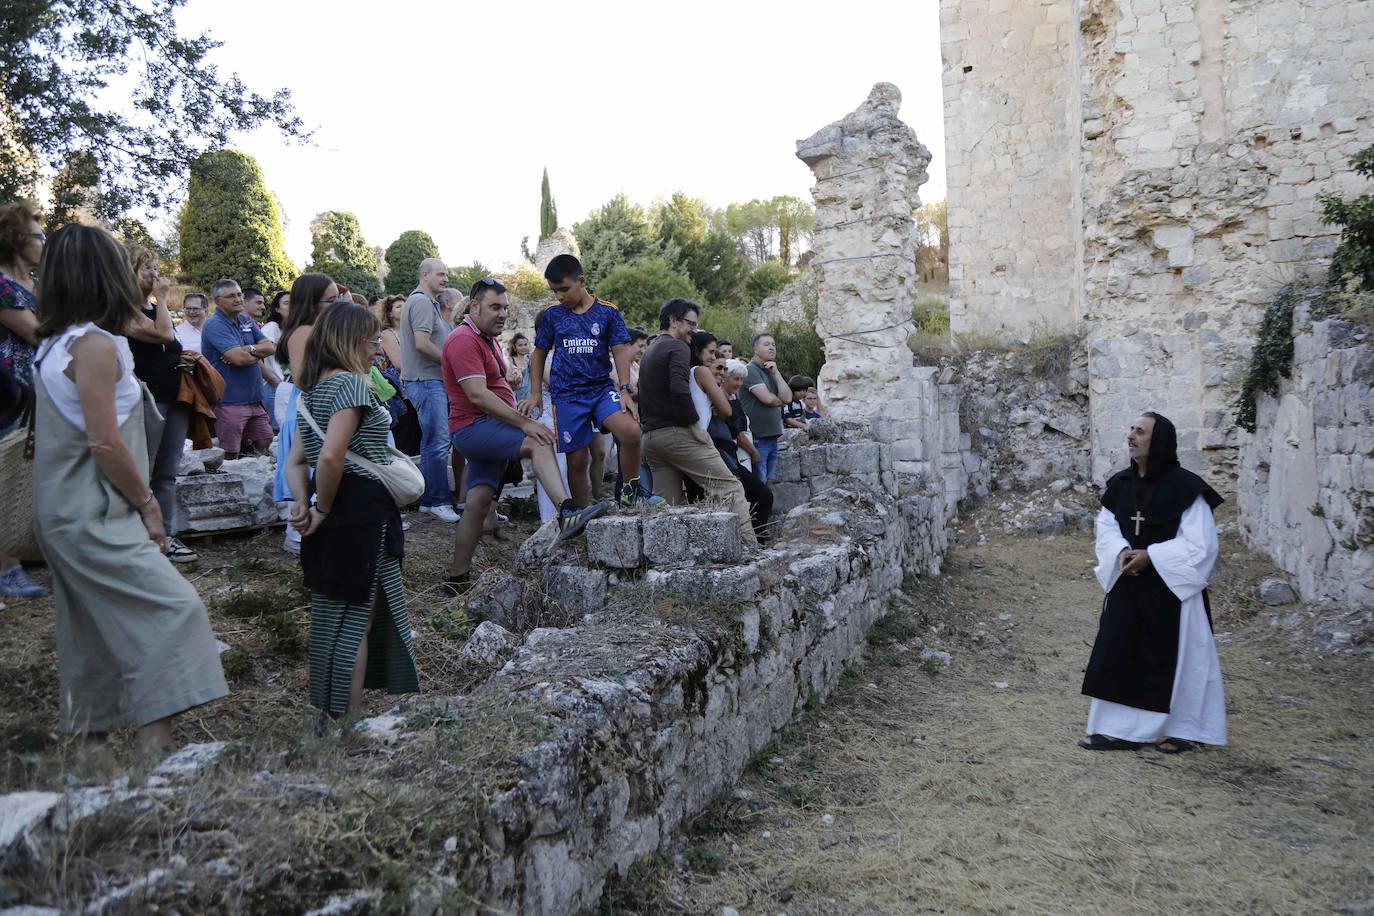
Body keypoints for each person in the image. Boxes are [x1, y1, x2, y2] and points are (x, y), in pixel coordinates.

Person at [31, 224, 227, 755]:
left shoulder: (53, 342)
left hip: (61, 507)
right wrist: (148, 506)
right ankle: (155, 759)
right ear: (105, 275)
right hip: (95, 506)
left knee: (88, 636)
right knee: (172, 609)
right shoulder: (93, 345)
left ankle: (88, 763)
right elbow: (104, 441)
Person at [283, 303, 418, 720]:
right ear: (349, 340)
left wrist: (303, 505)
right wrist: (320, 508)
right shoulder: (353, 387)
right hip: (359, 514)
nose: (377, 350)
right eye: (372, 340)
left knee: (330, 616)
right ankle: (348, 722)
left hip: (332, 513)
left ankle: (327, 714)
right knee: (358, 618)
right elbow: (330, 457)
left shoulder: (310, 392)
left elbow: (294, 463)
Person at [440, 278, 608, 595]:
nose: (502, 314)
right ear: (473, 306)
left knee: (476, 503)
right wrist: (524, 423)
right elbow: (476, 395)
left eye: (505, 308)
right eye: (494, 307)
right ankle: (568, 512)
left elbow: (489, 388)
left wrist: (511, 388)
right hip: (474, 428)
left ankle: (456, 578)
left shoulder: (484, 339)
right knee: (539, 439)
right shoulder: (463, 340)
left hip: (485, 427)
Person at [1080, 412, 1227, 754]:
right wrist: (1121, 552)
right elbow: (1107, 527)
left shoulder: (1187, 488)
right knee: (1117, 651)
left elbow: (1201, 545)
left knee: (1178, 660)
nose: (1131, 435)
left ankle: (1181, 730)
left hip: (1172, 593)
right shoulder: (1120, 485)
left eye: (1140, 431)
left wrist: (1153, 557)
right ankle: (1114, 729)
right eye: (1131, 429)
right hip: (1128, 587)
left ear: (1158, 440)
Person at [524, 254, 646, 507]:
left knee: (631, 431)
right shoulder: (552, 316)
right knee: (577, 461)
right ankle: (582, 514)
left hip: (601, 390)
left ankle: (630, 493)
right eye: (554, 291)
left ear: (581, 281)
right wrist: (535, 393)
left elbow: (621, 350)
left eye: (564, 289)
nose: (559, 296)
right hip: (567, 396)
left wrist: (624, 388)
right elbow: (538, 354)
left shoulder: (608, 312)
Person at [639, 298, 757, 547]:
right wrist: (694, 426)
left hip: (651, 439)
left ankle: (665, 561)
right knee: (731, 489)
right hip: (678, 434)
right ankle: (750, 549)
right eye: (689, 323)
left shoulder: (650, 350)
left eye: (695, 325)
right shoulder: (678, 347)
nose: (693, 330)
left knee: (668, 507)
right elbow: (679, 389)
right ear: (672, 321)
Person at [125, 245, 198, 564]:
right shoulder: (121, 309)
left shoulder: (154, 308)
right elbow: (164, 334)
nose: (155, 274)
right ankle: (137, 537)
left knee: (167, 470)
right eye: (147, 268)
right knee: (145, 468)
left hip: (176, 397)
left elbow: (170, 344)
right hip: (149, 399)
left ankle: (165, 537)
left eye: (155, 267)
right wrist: (164, 299)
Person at [273, 273, 341, 555]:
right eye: (331, 300)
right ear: (312, 303)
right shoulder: (303, 332)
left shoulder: (318, 329)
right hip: (309, 409)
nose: (337, 304)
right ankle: (298, 534)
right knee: (305, 471)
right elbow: (304, 378)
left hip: (318, 408)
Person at [0, 200, 48, 599]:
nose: (43, 242)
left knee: (22, 474)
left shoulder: (35, 285)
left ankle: (16, 554)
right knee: (5, 473)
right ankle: (6, 566)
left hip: (34, 388)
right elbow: (36, 333)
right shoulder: (2, 284)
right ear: (16, 240)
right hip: (9, 390)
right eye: (38, 235)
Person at [399, 258, 458, 522]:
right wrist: (451, 363)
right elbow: (422, 344)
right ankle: (438, 500)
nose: (445, 279)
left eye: (446, 275)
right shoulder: (422, 301)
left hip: (429, 380)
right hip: (426, 381)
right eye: (440, 274)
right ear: (425, 275)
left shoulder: (426, 301)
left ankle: (428, 500)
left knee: (431, 442)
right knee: (437, 443)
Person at [199, 279, 277, 460]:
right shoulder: (215, 325)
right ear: (218, 301)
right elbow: (239, 359)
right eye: (231, 296)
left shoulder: (245, 320)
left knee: (265, 440)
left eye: (239, 294)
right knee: (229, 453)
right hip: (229, 402)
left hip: (254, 401)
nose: (238, 299)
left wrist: (247, 349)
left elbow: (270, 347)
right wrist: (253, 352)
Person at [715, 358, 773, 542]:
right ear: (724, 377)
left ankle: (755, 537)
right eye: (736, 379)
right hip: (728, 456)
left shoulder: (733, 398)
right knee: (761, 494)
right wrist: (754, 451)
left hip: (736, 455)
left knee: (756, 495)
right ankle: (755, 538)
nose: (739, 384)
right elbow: (735, 431)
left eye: (741, 380)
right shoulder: (720, 399)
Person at [739, 333, 792, 483]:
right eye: (767, 344)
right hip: (757, 438)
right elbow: (767, 399)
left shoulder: (771, 371)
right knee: (759, 482)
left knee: (769, 481)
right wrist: (780, 401)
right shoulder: (750, 370)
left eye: (773, 345)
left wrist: (776, 373)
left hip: (772, 437)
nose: (772, 348)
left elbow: (787, 397)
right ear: (756, 349)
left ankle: (766, 507)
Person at [508, 332, 532, 403]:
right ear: (515, 347)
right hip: (517, 394)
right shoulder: (511, 360)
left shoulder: (529, 359)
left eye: (525, 344)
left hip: (529, 393)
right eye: (520, 345)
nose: (523, 347)